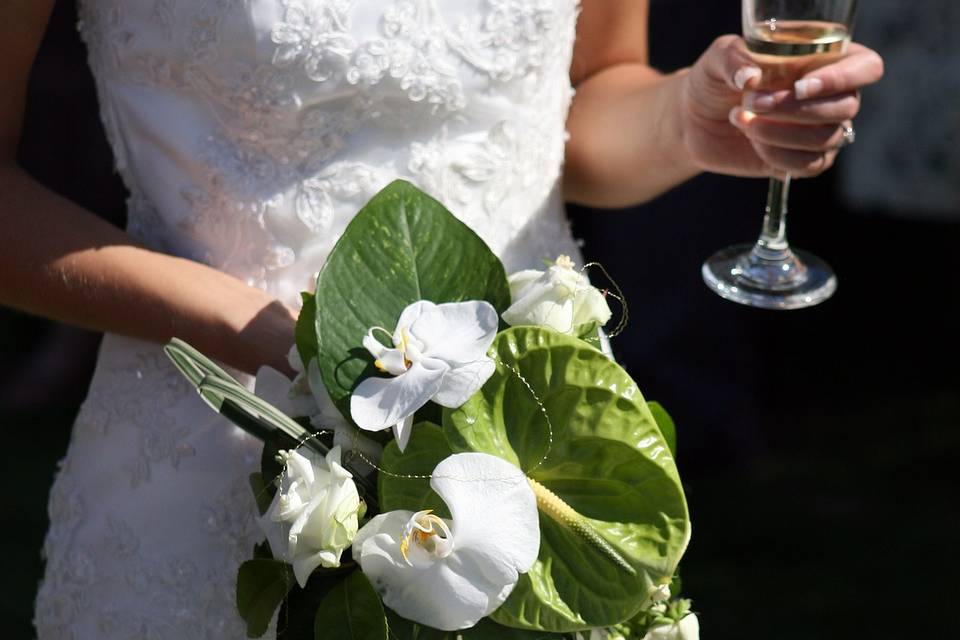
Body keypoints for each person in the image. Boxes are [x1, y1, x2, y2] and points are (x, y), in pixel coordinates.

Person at [0, 1, 882, 637]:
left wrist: (684, 121)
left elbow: (587, 100)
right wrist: (257, 326)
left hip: (532, 455)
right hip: (213, 454)